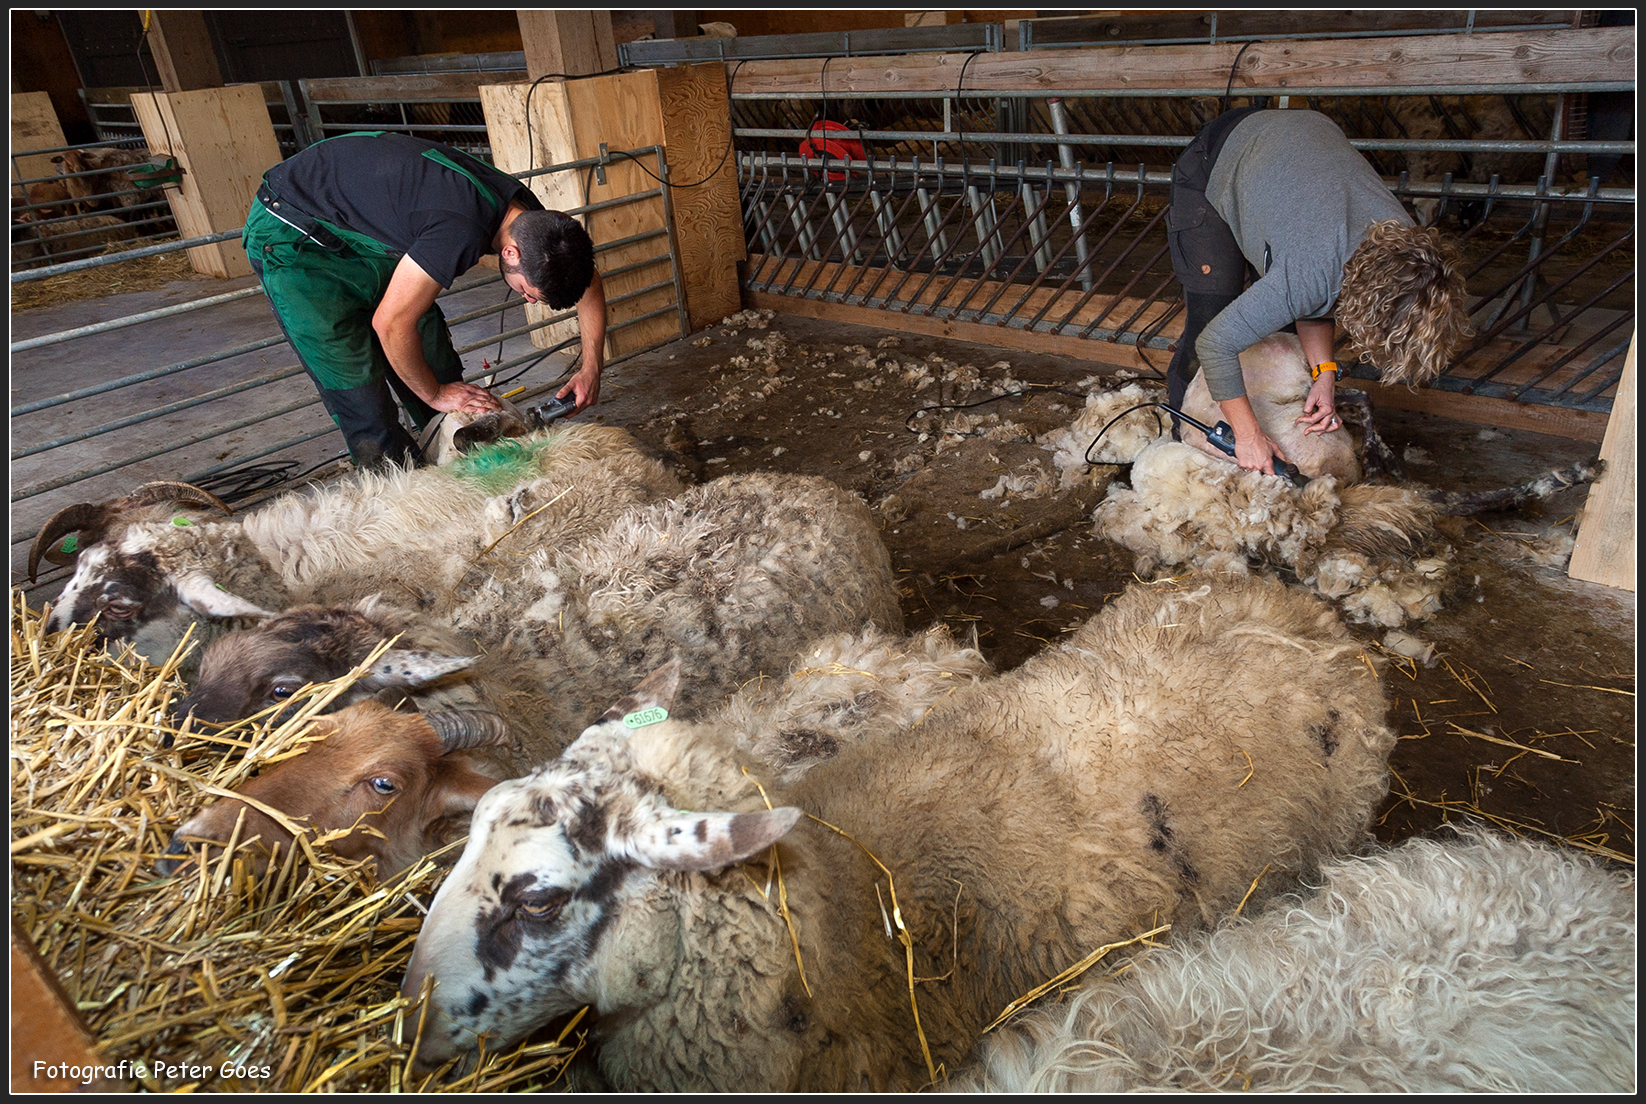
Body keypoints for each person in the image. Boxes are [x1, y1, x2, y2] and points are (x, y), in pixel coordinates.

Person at [243, 131, 606, 469]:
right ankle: (403, 491)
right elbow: (390, 324)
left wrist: (591, 368)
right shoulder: (460, 229)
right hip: (295, 238)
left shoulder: (535, 225)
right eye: (528, 292)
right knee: (366, 405)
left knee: (440, 370)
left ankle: (457, 462)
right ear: (511, 253)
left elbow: (585, 276)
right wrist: (435, 394)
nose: (528, 301)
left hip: (359, 226)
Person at [1165, 107, 1471, 475]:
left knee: (1282, 329)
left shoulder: (1408, 245)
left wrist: (1324, 375)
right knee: (1210, 318)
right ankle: (1180, 451)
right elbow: (1216, 343)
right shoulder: (1312, 271)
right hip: (1219, 157)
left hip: (1294, 153)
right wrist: (1247, 436)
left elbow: (1320, 300)